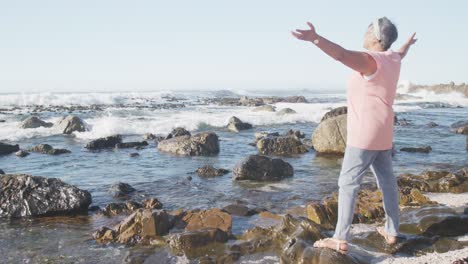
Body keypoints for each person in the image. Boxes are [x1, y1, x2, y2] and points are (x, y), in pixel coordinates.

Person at [291, 17, 417, 254]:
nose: (365, 31)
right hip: (384, 132)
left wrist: (315, 38)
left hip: (364, 134)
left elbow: (340, 54)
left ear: (377, 38)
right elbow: (400, 53)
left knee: (348, 183)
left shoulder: (370, 61)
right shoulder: (393, 59)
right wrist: (407, 45)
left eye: (369, 28)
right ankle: (391, 231)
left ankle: (340, 238)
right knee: (387, 182)